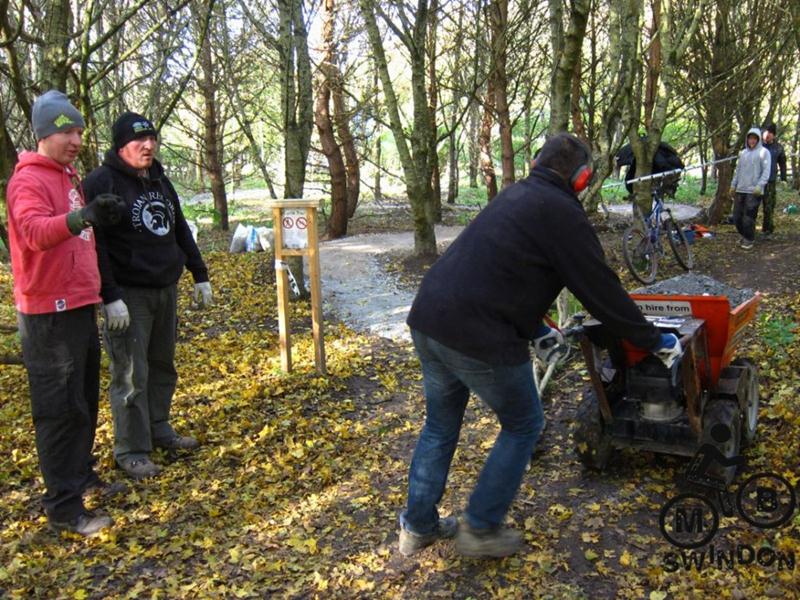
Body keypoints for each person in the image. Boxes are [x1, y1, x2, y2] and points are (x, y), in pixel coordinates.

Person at [399, 133, 681, 558]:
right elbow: (600, 289)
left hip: (429, 319)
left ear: (536, 163)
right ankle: (480, 528)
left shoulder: (515, 198)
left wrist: (538, 328)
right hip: (477, 335)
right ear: (582, 178)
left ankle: (417, 526)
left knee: (440, 425)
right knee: (524, 424)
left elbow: (499, 271)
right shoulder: (563, 214)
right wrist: (654, 339)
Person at [7, 90, 126, 536]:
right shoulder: (28, 181)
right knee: (58, 409)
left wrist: (96, 218)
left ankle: (80, 477)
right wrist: (82, 218)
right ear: (47, 133)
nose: (77, 138)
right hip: (47, 314)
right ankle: (63, 506)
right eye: (68, 131)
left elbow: (78, 235)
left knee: (83, 401)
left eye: (79, 131)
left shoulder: (67, 176)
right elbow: (36, 233)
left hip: (78, 304)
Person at [82, 112, 213, 481]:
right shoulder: (101, 182)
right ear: (121, 145)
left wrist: (199, 273)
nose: (148, 146)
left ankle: (159, 427)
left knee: (161, 365)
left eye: (152, 139)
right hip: (129, 295)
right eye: (139, 141)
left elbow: (179, 227)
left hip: (164, 289)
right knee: (130, 373)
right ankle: (131, 449)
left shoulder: (158, 179)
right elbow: (98, 244)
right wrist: (110, 295)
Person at [730, 128, 770, 250]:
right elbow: (738, 171)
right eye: (750, 138)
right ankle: (745, 235)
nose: (752, 140)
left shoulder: (764, 152)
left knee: (748, 218)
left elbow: (766, 171)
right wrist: (733, 185)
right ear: (747, 139)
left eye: (754, 138)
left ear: (758, 139)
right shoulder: (743, 153)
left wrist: (760, 186)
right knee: (737, 217)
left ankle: (749, 239)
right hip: (740, 189)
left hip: (754, 191)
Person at [760, 123, 787, 237]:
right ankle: (749, 231)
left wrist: (783, 178)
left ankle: (767, 230)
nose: (767, 135)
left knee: (769, 206)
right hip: (755, 181)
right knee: (751, 207)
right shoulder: (757, 145)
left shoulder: (778, 148)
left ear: (774, 135)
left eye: (770, 133)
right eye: (766, 132)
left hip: (770, 181)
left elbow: (783, 163)